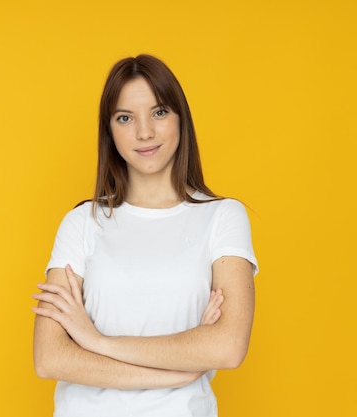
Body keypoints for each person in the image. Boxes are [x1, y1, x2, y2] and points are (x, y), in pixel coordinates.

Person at [32, 54, 258, 417]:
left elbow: (228, 346)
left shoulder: (222, 217)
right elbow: (50, 358)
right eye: (125, 118)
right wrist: (181, 369)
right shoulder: (82, 222)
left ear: (182, 119)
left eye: (159, 112)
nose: (144, 133)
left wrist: (95, 341)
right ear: (110, 131)